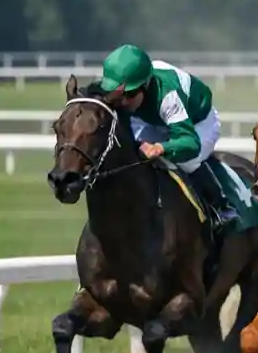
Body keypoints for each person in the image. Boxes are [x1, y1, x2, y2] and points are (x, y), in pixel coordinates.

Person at [97, 43, 233, 224]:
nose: (123, 101)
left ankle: (221, 206)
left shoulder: (168, 95)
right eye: (117, 94)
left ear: (145, 85)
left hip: (197, 122)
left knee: (186, 161)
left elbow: (189, 142)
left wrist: (161, 147)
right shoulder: (122, 88)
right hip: (153, 118)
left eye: (130, 94)